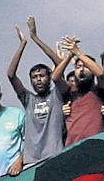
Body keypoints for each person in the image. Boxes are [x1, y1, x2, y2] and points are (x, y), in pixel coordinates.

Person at [11, 20, 69, 166]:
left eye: (42, 76)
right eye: (34, 77)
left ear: (49, 77)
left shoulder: (57, 95)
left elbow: (59, 62)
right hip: (31, 161)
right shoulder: (28, 99)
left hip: (55, 157)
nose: (38, 80)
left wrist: (35, 38)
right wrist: (22, 44)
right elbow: (11, 75)